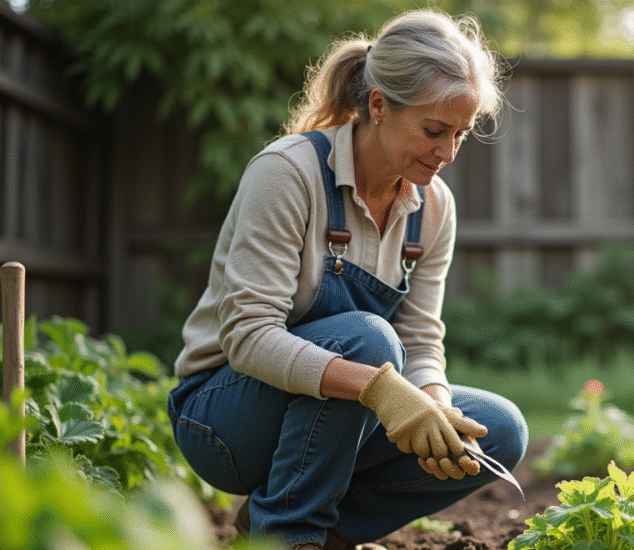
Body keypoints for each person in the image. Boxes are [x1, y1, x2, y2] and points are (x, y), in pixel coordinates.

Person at [167, 9, 529, 550]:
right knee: (367, 339)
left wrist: (431, 402)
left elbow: (422, 338)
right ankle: (291, 537)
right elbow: (245, 336)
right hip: (224, 420)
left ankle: (301, 532)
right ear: (378, 105)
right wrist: (378, 387)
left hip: (331, 414)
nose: (448, 153)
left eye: (461, 134)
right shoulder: (288, 173)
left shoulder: (432, 206)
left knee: (498, 431)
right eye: (434, 130)